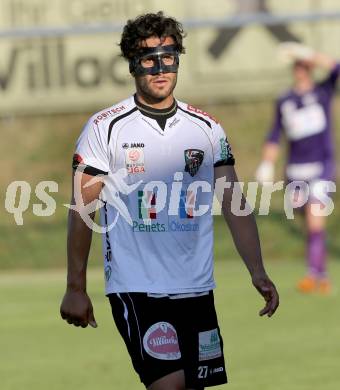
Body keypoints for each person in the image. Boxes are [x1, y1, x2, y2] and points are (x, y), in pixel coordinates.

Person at [60, 11, 279, 390]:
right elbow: (83, 210)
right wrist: (76, 287)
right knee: (170, 386)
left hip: (196, 287)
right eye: (149, 59)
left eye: (169, 57)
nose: (160, 68)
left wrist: (257, 270)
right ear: (132, 64)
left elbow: (234, 204)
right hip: (138, 287)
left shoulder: (208, 129)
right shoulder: (104, 128)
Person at [255, 42, 340, 295]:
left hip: (321, 167)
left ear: (310, 67)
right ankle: (319, 271)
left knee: (316, 219)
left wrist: (308, 53)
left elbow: (337, 68)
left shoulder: (323, 92)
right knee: (307, 221)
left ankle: (315, 275)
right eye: (298, 65)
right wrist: (267, 163)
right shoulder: (285, 100)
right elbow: (274, 134)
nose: (301, 69)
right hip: (295, 171)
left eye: (305, 65)